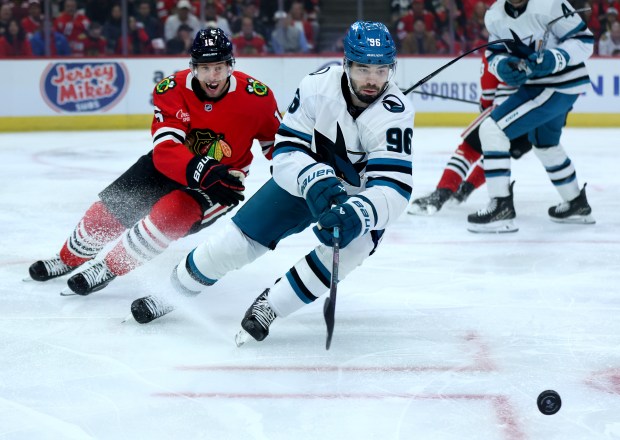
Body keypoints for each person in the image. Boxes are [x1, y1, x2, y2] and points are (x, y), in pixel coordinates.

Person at [129, 21, 414, 347]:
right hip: (304, 179)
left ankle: (273, 305)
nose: (372, 80)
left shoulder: (396, 113)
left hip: (355, 197)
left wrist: (359, 213)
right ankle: (173, 291)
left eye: (381, 70)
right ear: (346, 64)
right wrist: (313, 178)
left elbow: (395, 187)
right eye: (363, 68)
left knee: (353, 249)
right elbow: (287, 151)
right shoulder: (317, 88)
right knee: (233, 244)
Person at [27, 28, 281, 296]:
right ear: (193, 67)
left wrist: (297, 172)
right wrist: (200, 169)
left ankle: (109, 268)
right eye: (205, 68)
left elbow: (278, 145)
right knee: (110, 210)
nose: (212, 76)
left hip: (220, 183)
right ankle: (68, 258)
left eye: (218, 67)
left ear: (230, 66)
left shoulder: (258, 99)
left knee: (169, 213)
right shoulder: (171, 90)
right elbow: (166, 149)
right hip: (172, 165)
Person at [467, 0, 595, 233]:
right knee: (544, 144)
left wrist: (555, 58)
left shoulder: (551, 4)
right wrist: (503, 66)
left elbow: (584, 41)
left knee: (491, 130)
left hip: (557, 85)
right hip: (544, 87)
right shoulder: (495, 15)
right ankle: (576, 204)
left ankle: (501, 207)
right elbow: (493, 53)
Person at [408, 54, 532, 215]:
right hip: (538, 113)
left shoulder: (497, 46)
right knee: (498, 154)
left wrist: (486, 106)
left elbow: (488, 91)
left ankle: (442, 194)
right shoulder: (546, 39)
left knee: (469, 149)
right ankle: (465, 189)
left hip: (506, 107)